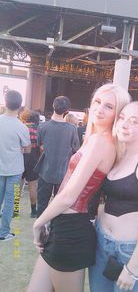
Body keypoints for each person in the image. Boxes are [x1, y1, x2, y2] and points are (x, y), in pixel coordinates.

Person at [27, 83, 131, 292]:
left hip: (71, 231)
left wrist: (38, 222)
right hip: (65, 224)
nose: (99, 109)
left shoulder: (101, 141)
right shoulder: (96, 138)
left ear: (118, 113)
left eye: (109, 106)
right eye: (97, 102)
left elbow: (69, 195)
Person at [89, 101, 138, 292]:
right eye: (122, 118)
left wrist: (132, 267)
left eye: (133, 121)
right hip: (101, 244)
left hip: (129, 251)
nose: (124, 124)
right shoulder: (118, 155)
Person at [36, 96, 80, 217]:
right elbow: (76, 149)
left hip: (45, 171)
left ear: (53, 106)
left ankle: (40, 230)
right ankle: (54, 230)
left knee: (42, 204)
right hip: (63, 173)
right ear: (67, 111)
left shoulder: (42, 126)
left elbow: (40, 145)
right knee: (59, 205)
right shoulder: (72, 129)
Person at [0, 90, 31, 241]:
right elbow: (27, 148)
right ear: (20, 107)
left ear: (5, 103)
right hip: (15, 169)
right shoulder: (22, 127)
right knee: (10, 202)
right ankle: (4, 232)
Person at [19, 109, 41, 218]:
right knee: (33, 186)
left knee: (18, 185)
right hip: (34, 160)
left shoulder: (20, 128)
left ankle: (14, 210)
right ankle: (33, 211)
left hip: (19, 159)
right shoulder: (39, 130)